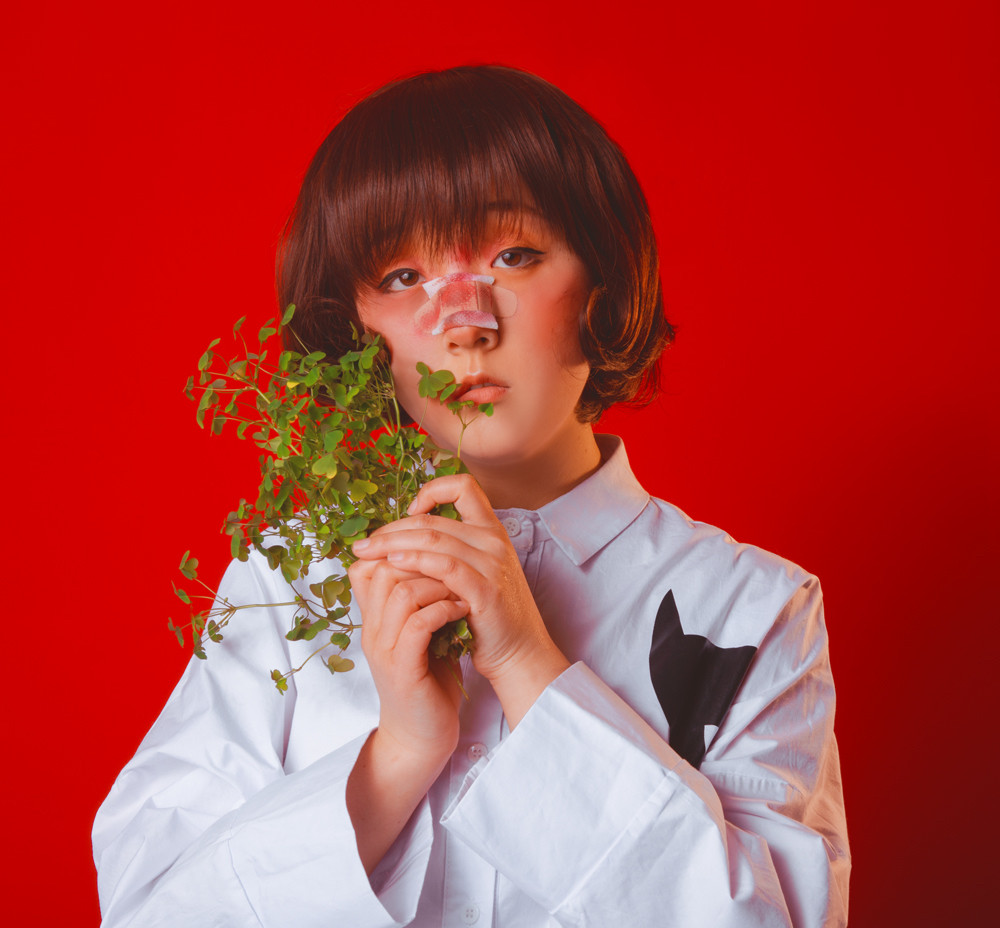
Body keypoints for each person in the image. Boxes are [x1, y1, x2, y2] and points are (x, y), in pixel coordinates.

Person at [93, 65, 850, 927]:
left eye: (514, 256)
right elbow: (149, 912)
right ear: (354, 330)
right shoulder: (285, 584)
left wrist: (530, 665)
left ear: (600, 283)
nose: (466, 320)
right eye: (403, 277)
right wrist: (398, 756)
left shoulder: (754, 607)